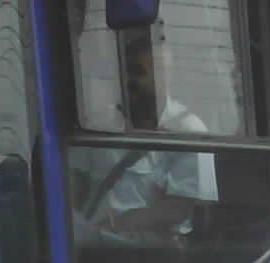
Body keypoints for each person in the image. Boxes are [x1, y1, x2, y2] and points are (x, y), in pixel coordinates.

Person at [85, 31, 218, 239]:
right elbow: (75, 183)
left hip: (150, 251)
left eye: (140, 73)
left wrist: (120, 224)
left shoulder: (189, 130)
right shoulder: (99, 122)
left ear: (165, 79)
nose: (131, 81)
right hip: (91, 241)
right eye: (128, 71)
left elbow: (180, 208)